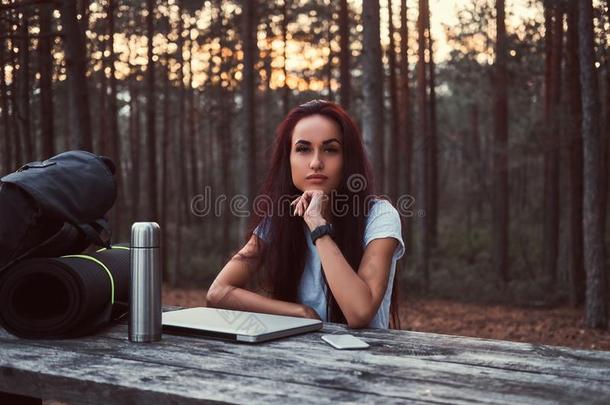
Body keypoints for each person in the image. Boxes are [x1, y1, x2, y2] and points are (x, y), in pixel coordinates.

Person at [206, 100, 405, 329]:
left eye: (330, 149)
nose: (316, 162)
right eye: (303, 149)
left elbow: (359, 312)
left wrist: (318, 226)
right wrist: (300, 312)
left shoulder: (379, 216)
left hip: (363, 359)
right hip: (296, 355)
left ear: (347, 159)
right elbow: (218, 292)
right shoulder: (279, 219)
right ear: (288, 159)